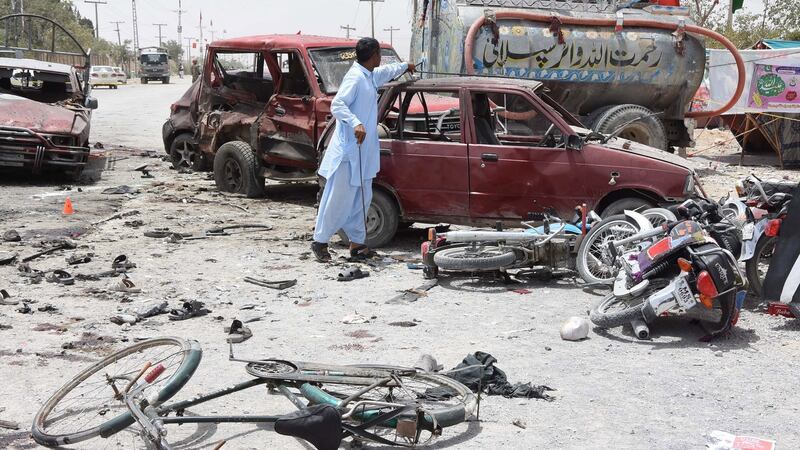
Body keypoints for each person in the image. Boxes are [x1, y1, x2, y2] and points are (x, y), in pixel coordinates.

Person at [311, 38, 415, 262]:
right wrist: (355, 122)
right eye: (380, 54)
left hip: (364, 153)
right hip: (348, 153)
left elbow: (387, 72)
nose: (381, 59)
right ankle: (319, 242)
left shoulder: (369, 75)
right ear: (375, 54)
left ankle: (357, 245)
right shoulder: (356, 77)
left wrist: (405, 66)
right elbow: (338, 104)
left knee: (362, 199)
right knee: (338, 200)